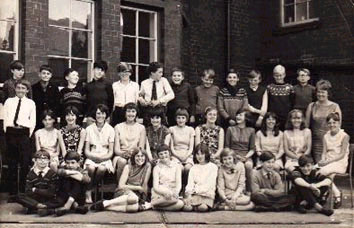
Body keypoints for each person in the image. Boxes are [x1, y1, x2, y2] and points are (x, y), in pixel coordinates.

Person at [90, 148, 152, 212]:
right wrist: (138, 187)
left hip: (136, 194)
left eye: (142, 156)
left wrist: (145, 199)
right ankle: (107, 202)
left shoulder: (147, 166)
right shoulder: (128, 167)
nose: (140, 158)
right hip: (123, 192)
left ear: (145, 157)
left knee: (134, 208)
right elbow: (121, 186)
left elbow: (145, 184)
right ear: (133, 157)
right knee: (134, 198)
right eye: (137, 156)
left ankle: (105, 206)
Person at [3, 79, 36, 193]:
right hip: (11, 133)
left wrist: (27, 134)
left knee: (24, 162)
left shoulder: (30, 103)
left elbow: (33, 121)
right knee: (12, 162)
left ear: (27, 90)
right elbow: (5, 118)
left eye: (23, 88)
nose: (20, 90)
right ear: (15, 89)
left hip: (24, 133)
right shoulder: (9, 101)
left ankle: (23, 191)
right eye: (18, 88)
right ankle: (12, 192)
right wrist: (8, 132)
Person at [14, 150, 62, 216]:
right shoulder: (30, 174)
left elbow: (51, 192)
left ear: (48, 161)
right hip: (35, 199)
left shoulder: (52, 174)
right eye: (39, 159)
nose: (42, 161)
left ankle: (34, 208)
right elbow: (28, 191)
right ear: (35, 161)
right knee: (19, 196)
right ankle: (42, 207)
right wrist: (39, 195)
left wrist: (35, 190)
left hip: (48, 199)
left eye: (45, 159)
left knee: (60, 199)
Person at [318, 112, 350, 208]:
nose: (332, 125)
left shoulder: (344, 136)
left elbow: (342, 155)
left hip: (340, 162)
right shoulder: (325, 136)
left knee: (322, 171)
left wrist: (327, 162)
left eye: (334, 122)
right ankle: (336, 193)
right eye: (330, 123)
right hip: (328, 162)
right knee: (314, 170)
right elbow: (324, 152)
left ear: (339, 123)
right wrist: (323, 160)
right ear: (327, 124)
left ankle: (325, 193)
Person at [84, 104, 115, 203]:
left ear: (106, 115)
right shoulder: (89, 129)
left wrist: (103, 158)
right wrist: (92, 156)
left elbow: (110, 151)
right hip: (92, 155)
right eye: (98, 113)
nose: (100, 116)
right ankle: (89, 193)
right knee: (90, 168)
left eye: (103, 113)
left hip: (105, 156)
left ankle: (90, 187)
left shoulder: (110, 129)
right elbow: (86, 150)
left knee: (102, 169)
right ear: (95, 114)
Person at [305, 79, 342, 163]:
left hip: (331, 142)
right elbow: (306, 126)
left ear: (328, 93)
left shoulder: (335, 106)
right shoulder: (311, 106)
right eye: (318, 92)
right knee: (319, 166)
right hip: (316, 143)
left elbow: (338, 127)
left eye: (323, 92)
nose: (320, 94)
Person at [113, 103, 145, 182]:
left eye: (133, 111)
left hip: (136, 155)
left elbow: (141, 148)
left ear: (136, 113)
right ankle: (120, 187)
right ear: (125, 113)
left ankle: (133, 186)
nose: (131, 114)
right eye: (128, 111)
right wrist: (123, 154)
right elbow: (116, 149)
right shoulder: (118, 127)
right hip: (121, 154)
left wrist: (132, 154)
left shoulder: (141, 128)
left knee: (133, 161)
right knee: (122, 161)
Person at [225, 109, 255, 190]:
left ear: (246, 118)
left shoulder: (251, 130)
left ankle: (249, 190)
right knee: (237, 165)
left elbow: (252, 149)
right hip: (232, 155)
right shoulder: (230, 129)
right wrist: (235, 156)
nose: (238, 117)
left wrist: (245, 157)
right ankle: (234, 189)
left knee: (248, 165)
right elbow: (227, 146)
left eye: (240, 115)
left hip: (246, 155)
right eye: (237, 115)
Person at [183, 144, 218, 212]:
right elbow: (190, 183)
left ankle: (196, 207)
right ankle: (194, 207)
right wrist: (189, 194)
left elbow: (210, 185)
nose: (200, 156)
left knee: (203, 207)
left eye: (202, 154)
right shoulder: (193, 168)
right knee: (187, 208)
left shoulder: (213, 167)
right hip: (195, 195)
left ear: (206, 154)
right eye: (197, 154)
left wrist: (196, 190)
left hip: (207, 195)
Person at [54, 152, 91, 216]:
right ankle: (75, 206)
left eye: (73, 163)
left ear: (78, 163)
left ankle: (68, 205)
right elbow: (59, 172)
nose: (70, 165)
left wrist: (69, 174)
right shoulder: (63, 168)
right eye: (67, 163)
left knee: (79, 182)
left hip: (78, 198)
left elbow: (87, 180)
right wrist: (76, 173)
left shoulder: (82, 170)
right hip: (65, 196)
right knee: (66, 180)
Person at [138, 62, 174, 126]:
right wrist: (142, 100)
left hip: (161, 109)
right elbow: (140, 95)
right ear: (152, 73)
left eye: (162, 72)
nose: (161, 74)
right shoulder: (144, 83)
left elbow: (171, 95)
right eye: (159, 72)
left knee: (162, 129)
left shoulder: (163, 81)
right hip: (148, 110)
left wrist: (159, 101)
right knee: (147, 128)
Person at [151, 144, 184, 211]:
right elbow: (155, 187)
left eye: (165, 153)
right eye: (161, 154)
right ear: (158, 156)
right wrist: (164, 193)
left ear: (169, 153)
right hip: (160, 192)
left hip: (172, 191)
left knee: (180, 204)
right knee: (174, 200)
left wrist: (176, 192)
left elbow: (178, 184)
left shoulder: (177, 166)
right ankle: (156, 203)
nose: (163, 155)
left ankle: (154, 206)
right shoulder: (157, 168)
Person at [85, 61, 114, 125]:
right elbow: (86, 102)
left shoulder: (108, 85)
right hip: (91, 118)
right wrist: (87, 115)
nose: (99, 72)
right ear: (93, 70)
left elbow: (111, 102)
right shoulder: (88, 86)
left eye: (102, 70)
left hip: (104, 117)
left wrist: (107, 115)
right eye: (98, 69)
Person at [32, 65, 60, 129]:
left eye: (48, 74)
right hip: (38, 119)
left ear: (51, 75)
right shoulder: (34, 88)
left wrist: (52, 115)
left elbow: (57, 103)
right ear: (39, 74)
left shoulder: (54, 88)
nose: (46, 75)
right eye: (43, 73)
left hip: (51, 118)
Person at [267, 65, 294, 130]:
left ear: (284, 75)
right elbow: (268, 103)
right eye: (276, 75)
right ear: (273, 75)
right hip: (273, 119)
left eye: (280, 75)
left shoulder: (290, 88)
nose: (278, 77)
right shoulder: (269, 88)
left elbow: (292, 103)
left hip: (286, 118)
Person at [112, 62, 139, 126]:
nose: (124, 74)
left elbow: (136, 101)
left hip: (130, 111)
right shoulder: (115, 85)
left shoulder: (135, 85)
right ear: (119, 74)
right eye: (122, 72)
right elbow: (113, 100)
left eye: (126, 72)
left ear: (130, 73)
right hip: (118, 111)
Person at [169, 108, 195, 177]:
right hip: (175, 155)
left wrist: (186, 156)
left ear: (186, 119)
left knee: (188, 168)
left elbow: (191, 147)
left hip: (187, 154)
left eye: (183, 118)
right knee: (179, 168)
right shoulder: (172, 129)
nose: (181, 120)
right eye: (178, 118)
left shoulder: (190, 130)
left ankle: (186, 185)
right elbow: (171, 147)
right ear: (175, 119)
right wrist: (178, 156)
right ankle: (179, 186)